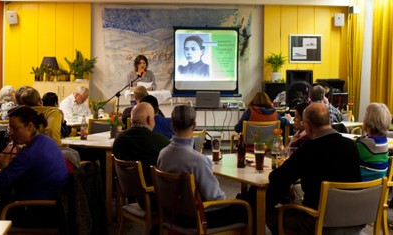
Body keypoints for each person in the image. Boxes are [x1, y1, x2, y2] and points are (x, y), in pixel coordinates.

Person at [265, 103, 361, 234]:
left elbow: (277, 178)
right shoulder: (352, 146)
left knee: (269, 213)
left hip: (315, 220)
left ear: (307, 126)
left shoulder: (309, 149)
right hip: (352, 219)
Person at [157, 105, 248, 229]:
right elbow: (216, 199)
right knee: (246, 209)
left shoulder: (162, 154)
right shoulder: (198, 161)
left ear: (172, 126)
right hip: (198, 219)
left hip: (173, 214)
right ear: (194, 126)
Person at [0, 105, 68, 208]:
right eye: (10, 128)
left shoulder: (29, 154)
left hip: (36, 210)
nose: (10, 133)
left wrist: (4, 169)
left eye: (15, 128)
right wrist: (5, 168)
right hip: (57, 207)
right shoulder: (47, 141)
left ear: (30, 127)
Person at [113, 102, 170, 188]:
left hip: (126, 187)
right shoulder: (160, 141)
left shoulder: (119, 139)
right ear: (149, 120)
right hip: (152, 190)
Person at [356, 103, 391, 181]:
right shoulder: (384, 141)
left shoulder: (362, 145)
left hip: (359, 187)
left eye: (365, 116)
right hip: (377, 189)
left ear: (368, 122)